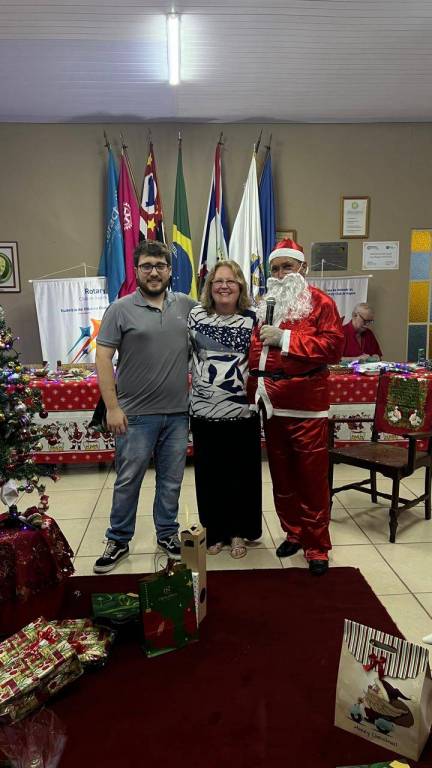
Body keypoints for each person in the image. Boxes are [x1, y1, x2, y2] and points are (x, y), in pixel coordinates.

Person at [93, 240, 196, 573]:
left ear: (170, 270)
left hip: (178, 414)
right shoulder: (120, 309)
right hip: (134, 416)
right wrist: (112, 407)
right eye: (147, 266)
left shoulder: (188, 306)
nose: (154, 272)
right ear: (136, 270)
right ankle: (118, 540)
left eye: (160, 266)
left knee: (171, 481)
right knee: (128, 481)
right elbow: (103, 358)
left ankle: (167, 534)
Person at [247, 238, 344, 576]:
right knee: (283, 477)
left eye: (286, 266)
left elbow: (333, 348)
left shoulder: (321, 303)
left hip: (306, 406)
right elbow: (257, 351)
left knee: (311, 479)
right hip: (272, 405)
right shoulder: (266, 304)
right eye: (274, 268)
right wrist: (254, 390)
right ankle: (294, 532)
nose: (280, 274)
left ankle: (317, 546)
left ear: (302, 267)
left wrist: (285, 339)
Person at [188, 260, 262, 559]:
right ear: (210, 287)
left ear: (240, 285)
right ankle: (215, 531)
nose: (224, 286)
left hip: (242, 413)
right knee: (209, 476)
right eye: (218, 281)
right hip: (203, 411)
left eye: (230, 281)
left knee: (240, 476)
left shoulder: (253, 319)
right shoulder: (196, 316)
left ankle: (238, 532)